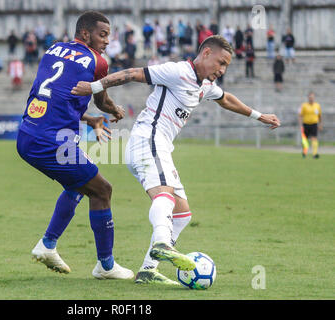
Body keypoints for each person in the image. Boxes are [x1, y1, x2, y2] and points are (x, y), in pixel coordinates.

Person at [72, 35, 281, 285]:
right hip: (147, 140)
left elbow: (226, 99)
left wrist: (259, 116)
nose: (222, 70)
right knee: (165, 196)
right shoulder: (177, 71)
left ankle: (149, 270)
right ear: (205, 54)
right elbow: (133, 73)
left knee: (182, 214)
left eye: (226, 66)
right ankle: (162, 241)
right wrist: (94, 87)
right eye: (220, 62)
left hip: (158, 147)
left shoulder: (203, 85)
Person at [16, 11, 134, 280]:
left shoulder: (53, 50)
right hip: (52, 142)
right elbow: (103, 101)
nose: (106, 41)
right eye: (102, 35)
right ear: (85, 34)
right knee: (102, 190)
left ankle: (47, 245)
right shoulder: (97, 61)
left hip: (28, 134)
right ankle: (106, 266)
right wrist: (115, 109)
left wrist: (90, 119)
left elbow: (51, 95)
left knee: (78, 184)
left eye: (109, 35)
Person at [299, 92, 322, 159]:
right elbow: (300, 116)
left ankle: (315, 154)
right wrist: (301, 125)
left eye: (312, 97)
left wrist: (320, 124)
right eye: (310, 97)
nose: (311, 98)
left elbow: (320, 116)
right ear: (308, 98)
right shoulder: (304, 105)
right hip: (305, 124)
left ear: (314, 98)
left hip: (314, 124)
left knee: (314, 138)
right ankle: (304, 152)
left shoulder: (317, 105)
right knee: (305, 140)